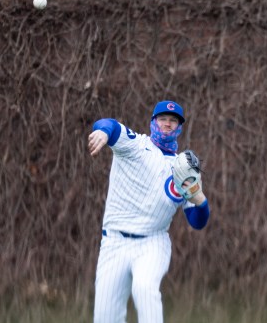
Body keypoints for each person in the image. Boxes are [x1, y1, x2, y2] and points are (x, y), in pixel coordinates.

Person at [88, 100, 210, 323]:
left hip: (152, 243)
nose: (167, 124)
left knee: (145, 288)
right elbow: (111, 125)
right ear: (153, 121)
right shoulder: (135, 146)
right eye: (163, 119)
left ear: (179, 128)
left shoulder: (181, 168)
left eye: (173, 121)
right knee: (105, 316)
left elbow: (197, 221)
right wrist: (103, 133)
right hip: (114, 242)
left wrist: (200, 199)